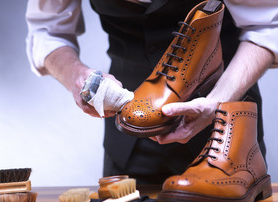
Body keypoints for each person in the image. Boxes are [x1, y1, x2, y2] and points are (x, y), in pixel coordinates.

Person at [25, 0, 277, 185]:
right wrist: (75, 76)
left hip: (226, 135)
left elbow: (266, 26)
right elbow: (48, 32)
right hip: (127, 144)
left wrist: (216, 103)